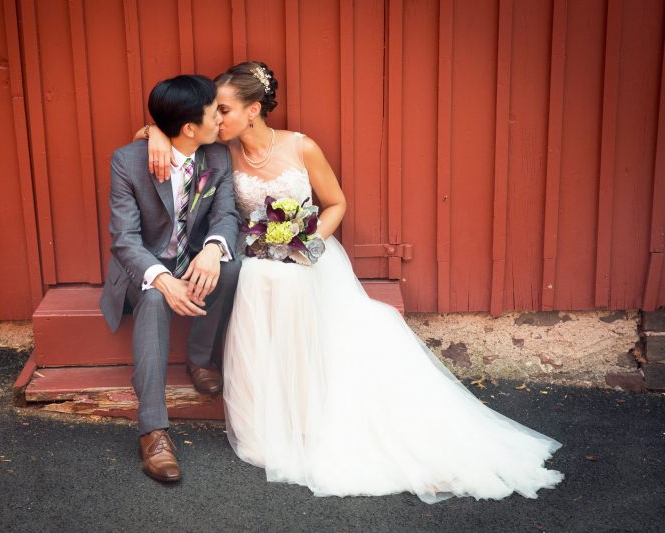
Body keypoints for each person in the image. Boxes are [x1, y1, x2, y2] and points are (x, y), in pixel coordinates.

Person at [139, 62, 564, 502]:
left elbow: (335, 203)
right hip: (257, 257)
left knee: (286, 282)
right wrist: (151, 132)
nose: (215, 118)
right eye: (212, 110)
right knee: (259, 276)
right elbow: (169, 134)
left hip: (308, 254)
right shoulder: (219, 153)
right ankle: (272, 416)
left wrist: (304, 244)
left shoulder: (301, 147)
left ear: (252, 110)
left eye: (223, 109)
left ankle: (312, 414)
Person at [100, 75, 241, 482]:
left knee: (231, 263)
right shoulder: (127, 161)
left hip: (193, 256)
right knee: (155, 298)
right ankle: (153, 431)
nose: (221, 118)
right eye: (215, 112)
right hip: (146, 263)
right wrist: (162, 278)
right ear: (189, 128)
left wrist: (213, 249)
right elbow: (124, 240)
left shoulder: (216, 156)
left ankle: (199, 359)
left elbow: (226, 215)